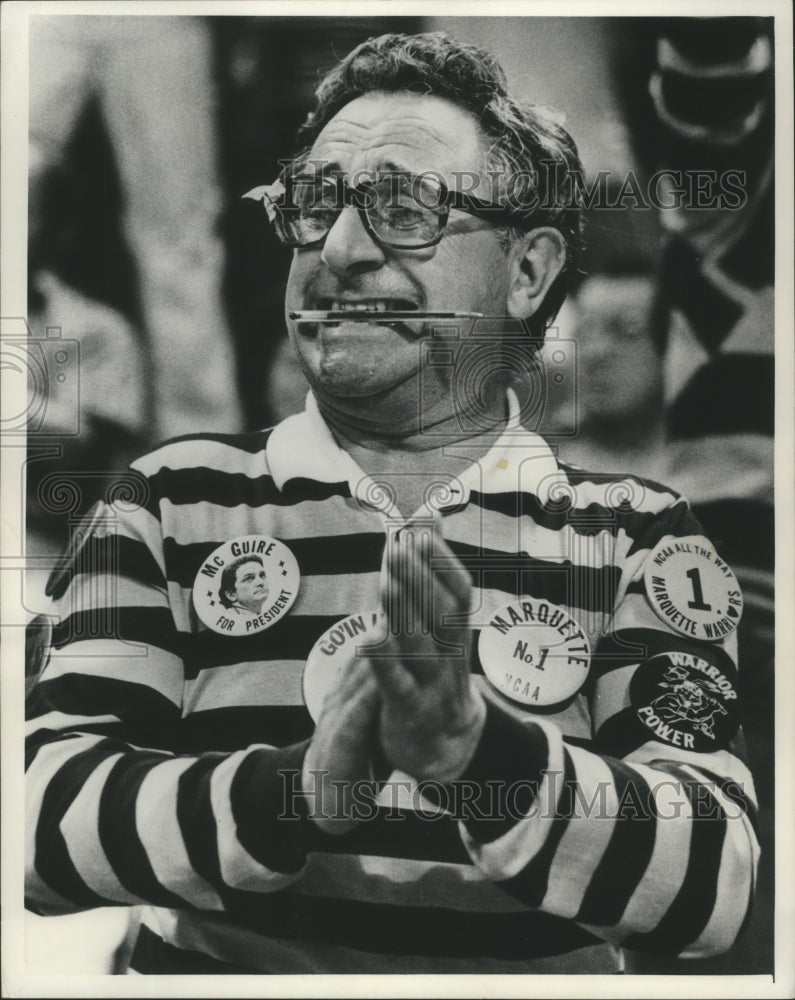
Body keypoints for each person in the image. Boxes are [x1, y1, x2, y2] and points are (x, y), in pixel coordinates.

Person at [25, 32, 759, 975]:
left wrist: (476, 758)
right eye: (312, 204)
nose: (335, 249)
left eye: (401, 207)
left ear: (525, 272)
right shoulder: (165, 502)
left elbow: (711, 880)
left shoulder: (638, 536)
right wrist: (299, 793)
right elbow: (38, 830)